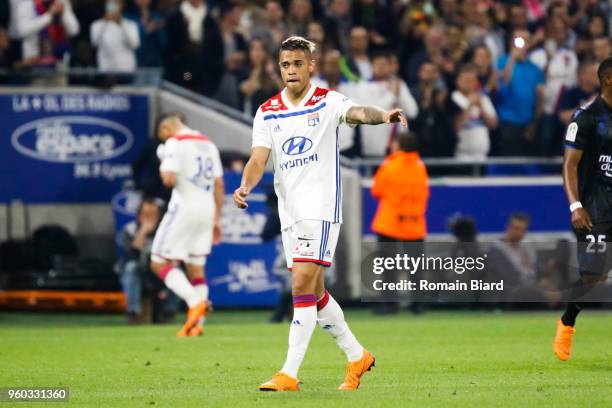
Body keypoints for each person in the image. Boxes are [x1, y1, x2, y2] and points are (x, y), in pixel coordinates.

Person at [233, 36, 407, 391]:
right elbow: (258, 158)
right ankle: (357, 355)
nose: (291, 70)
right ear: (279, 68)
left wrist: (383, 116)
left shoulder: (327, 102)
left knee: (300, 283)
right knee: (313, 293)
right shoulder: (268, 111)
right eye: (285, 64)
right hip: (291, 212)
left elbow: (358, 112)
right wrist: (246, 185)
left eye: (298, 63)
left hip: (321, 209)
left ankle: (289, 373)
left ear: (311, 66)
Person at [553, 57, 612, 361]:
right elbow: (569, 164)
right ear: (608, 80)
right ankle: (567, 322)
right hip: (595, 206)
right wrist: (576, 205)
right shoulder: (586, 116)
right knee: (594, 276)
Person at [150, 113, 224, 337]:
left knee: (157, 261)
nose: (162, 139)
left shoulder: (174, 143)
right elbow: (219, 183)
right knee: (196, 267)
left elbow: (169, 179)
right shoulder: (208, 144)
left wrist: (164, 158)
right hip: (207, 209)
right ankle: (197, 324)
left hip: (183, 208)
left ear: (167, 127)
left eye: (161, 135)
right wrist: (217, 218)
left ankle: (194, 302)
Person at [371, 131, 429, 243]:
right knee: (414, 260)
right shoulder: (420, 167)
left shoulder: (389, 165)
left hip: (390, 224)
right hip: (414, 225)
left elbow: (376, 191)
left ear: (399, 145)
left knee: (387, 260)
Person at [495, 29, 545, 156]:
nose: (520, 44)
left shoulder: (535, 68)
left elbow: (540, 99)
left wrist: (534, 123)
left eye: (524, 40)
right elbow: (504, 81)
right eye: (517, 40)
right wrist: (512, 58)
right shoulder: (502, 61)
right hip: (508, 123)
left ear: (529, 44)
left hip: (528, 124)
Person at [118, 196, 161, 324]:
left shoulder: (165, 229)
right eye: (145, 214)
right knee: (131, 267)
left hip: (159, 271)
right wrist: (142, 232)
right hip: (138, 270)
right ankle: (133, 313)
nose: (148, 218)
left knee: (176, 270)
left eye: (152, 214)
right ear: (138, 215)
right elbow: (131, 256)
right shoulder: (129, 230)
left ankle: (168, 313)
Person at [448, 63, 498, 161]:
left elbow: (494, 124)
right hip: (461, 154)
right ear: (458, 81)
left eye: (472, 80)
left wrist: (481, 108)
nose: (470, 83)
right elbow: (455, 128)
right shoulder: (452, 98)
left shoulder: (483, 98)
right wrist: (469, 106)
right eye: (467, 80)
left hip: (482, 155)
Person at [90, 0, 140, 73]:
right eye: (110, 3)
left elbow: (135, 44)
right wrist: (105, 22)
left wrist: (120, 24)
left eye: (116, 3)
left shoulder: (130, 24)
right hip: (106, 70)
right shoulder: (97, 25)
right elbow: (94, 43)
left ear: (122, 5)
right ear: (105, 5)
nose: (114, 6)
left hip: (127, 70)